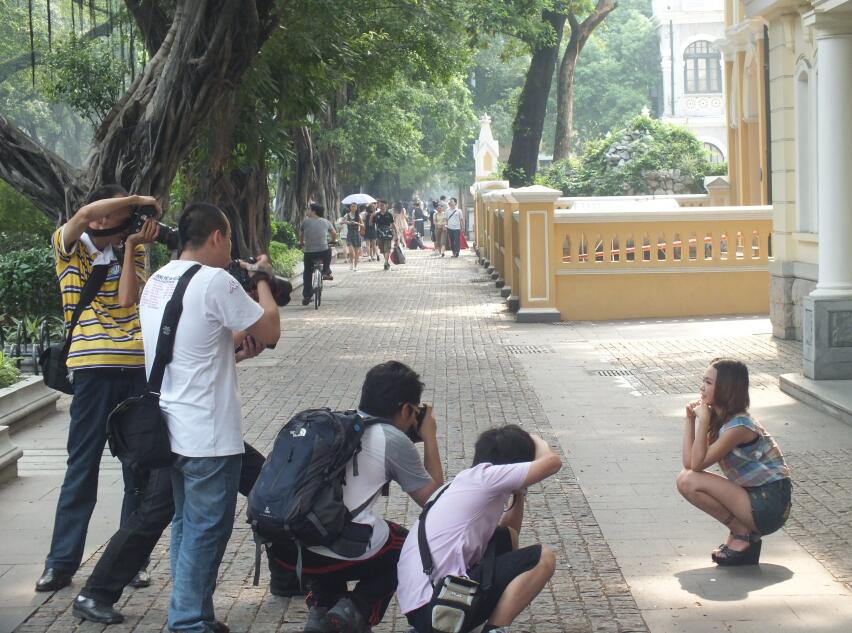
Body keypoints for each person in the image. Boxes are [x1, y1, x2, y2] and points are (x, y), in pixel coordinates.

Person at [139, 202, 281, 633]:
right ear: (217, 236)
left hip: (169, 426)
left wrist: (232, 347)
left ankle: (192, 611)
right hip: (209, 432)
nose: (230, 248)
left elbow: (188, 347)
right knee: (206, 530)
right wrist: (262, 279)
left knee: (186, 524)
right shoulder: (215, 280)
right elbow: (271, 330)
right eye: (230, 239)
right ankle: (187, 620)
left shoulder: (158, 281)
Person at [36, 186, 161, 593]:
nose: (117, 219)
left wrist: (129, 248)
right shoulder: (69, 247)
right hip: (91, 369)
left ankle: (131, 560)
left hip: (134, 367)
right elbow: (87, 212)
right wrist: (138, 202)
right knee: (82, 465)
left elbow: (128, 302)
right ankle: (61, 562)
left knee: (137, 468)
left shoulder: (136, 249)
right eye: (115, 212)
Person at [269, 361, 444, 633]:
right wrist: (430, 436)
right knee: (409, 546)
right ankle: (352, 613)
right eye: (414, 412)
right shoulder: (392, 439)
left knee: (335, 523)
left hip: (285, 548)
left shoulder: (338, 424)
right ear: (406, 409)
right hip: (326, 550)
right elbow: (434, 501)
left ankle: (322, 607)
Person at [71, 443, 289, 626]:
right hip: (189, 438)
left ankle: (286, 577)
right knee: (154, 514)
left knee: (270, 492)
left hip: (210, 437)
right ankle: (95, 592)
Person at [397, 425, 561, 633]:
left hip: (425, 606)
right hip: (437, 605)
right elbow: (553, 463)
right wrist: (536, 440)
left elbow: (510, 534)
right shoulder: (487, 477)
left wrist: (519, 493)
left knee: (504, 536)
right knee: (543, 558)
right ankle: (494, 629)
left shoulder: (464, 482)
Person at [676, 358, 792, 566]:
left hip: (770, 503)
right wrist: (690, 419)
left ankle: (741, 532)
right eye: (703, 381)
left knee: (689, 481)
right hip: (753, 495)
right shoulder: (723, 421)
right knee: (686, 479)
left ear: (726, 388)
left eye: (709, 382)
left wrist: (703, 421)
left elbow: (696, 465)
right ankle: (744, 533)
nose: (702, 387)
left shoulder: (739, 426)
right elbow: (689, 463)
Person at [300, 203, 338, 306]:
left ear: (313, 211)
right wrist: (333, 241)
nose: (307, 211)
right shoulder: (326, 222)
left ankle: (307, 295)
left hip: (309, 253)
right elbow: (334, 234)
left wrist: (301, 243)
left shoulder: (305, 222)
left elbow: (301, 236)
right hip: (323, 251)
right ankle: (326, 271)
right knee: (328, 250)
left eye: (308, 209)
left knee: (307, 272)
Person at [373, 199, 396, 271]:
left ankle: (386, 263)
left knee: (387, 249)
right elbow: (372, 224)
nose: (381, 206)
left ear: (386, 205)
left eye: (383, 205)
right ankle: (386, 262)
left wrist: (396, 233)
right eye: (380, 205)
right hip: (379, 234)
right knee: (382, 249)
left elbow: (392, 224)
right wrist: (371, 216)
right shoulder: (377, 215)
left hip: (388, 234)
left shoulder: (389, 214)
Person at [341, 202, 364, 271]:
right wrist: (347, 222)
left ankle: (355, 266)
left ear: (356, 208)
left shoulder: (358, 216)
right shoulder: (347, 215)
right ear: (350, 207)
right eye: (352, 206)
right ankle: (351, 263)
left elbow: (363, 225)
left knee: (356, 252)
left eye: (355, 206)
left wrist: (357, 223)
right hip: (350, 234)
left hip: (357, 234)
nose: (353, 208)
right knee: (351, 251)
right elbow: (341, 222)